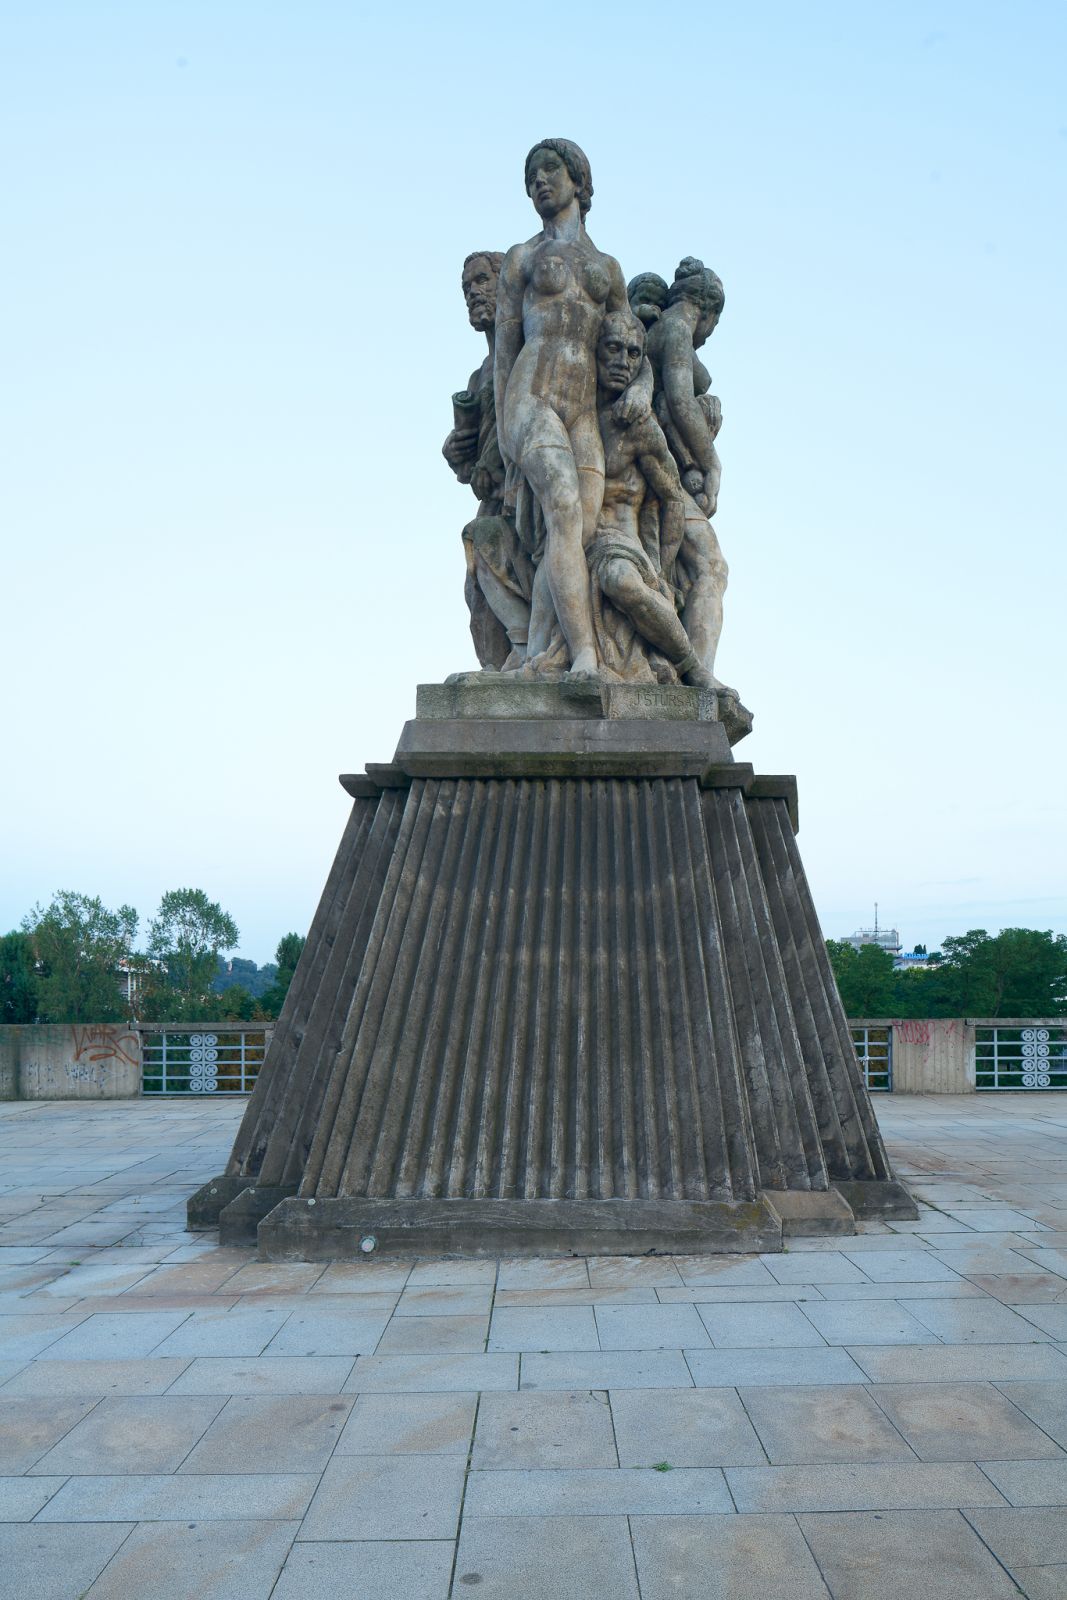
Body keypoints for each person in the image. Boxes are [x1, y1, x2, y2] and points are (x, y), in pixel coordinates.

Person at [494, 139, 651, 679]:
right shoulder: (523, 257)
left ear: (579, 182)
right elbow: (504, 350)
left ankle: (540, 652)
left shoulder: (607, 267)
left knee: (577, 530)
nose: (539, 181)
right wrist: (507, 445)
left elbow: (634, 343)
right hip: (532, 394)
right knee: (562, 505)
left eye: (549, 170)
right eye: (531, 176)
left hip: (582, 409)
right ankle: (584, 654)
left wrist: (642, 389)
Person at [587, 312, 713, 686]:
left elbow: (672, 498)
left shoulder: (639, 427)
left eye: (632, 353)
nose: (621, 362)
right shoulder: (575, 413)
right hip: (570, 541)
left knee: (620, 580)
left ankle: (691, 667)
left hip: (621, 544)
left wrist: (660, 569)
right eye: (612, 349)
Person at [442, 252, 532, 669]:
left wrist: (491, 460)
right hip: (492, 497)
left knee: (499, 561)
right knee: (476, 590)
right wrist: (456, 449)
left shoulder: (529, 347)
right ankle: (496, 671)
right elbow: (470, 467)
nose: (472, 293)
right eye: (466, 287)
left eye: (481, 281)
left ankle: (527, 651)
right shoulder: (479, 376)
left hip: (525, 491)